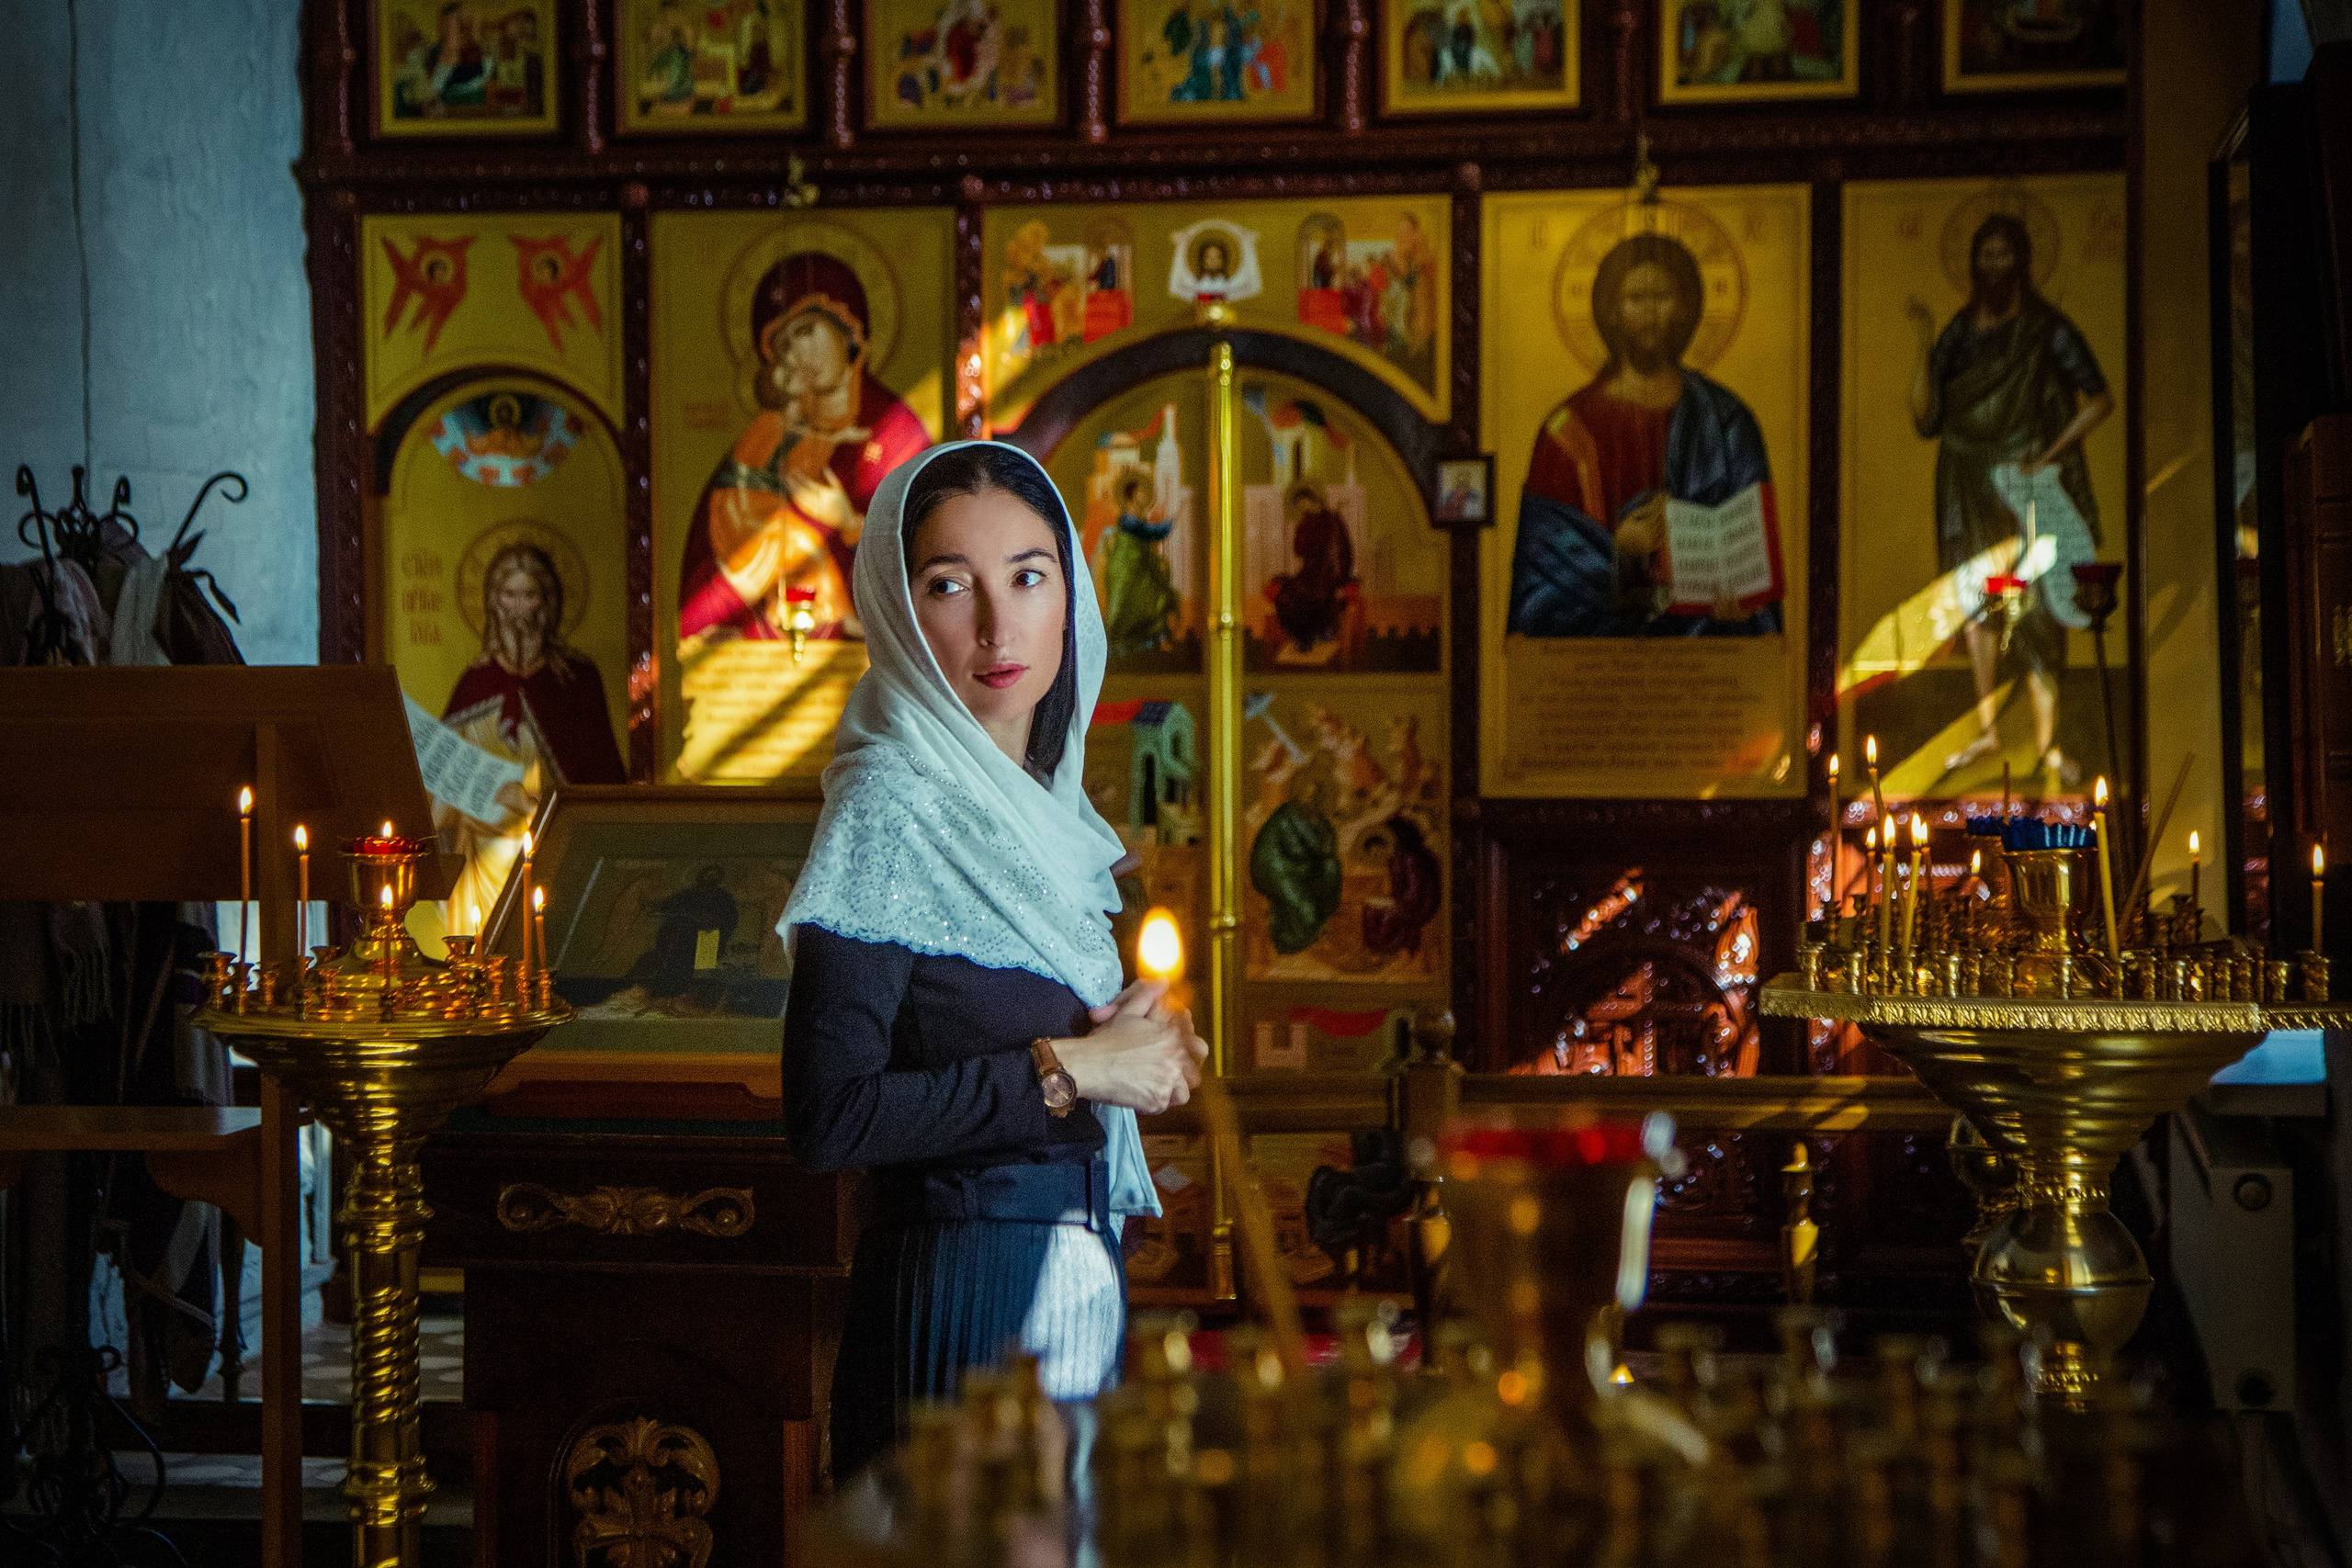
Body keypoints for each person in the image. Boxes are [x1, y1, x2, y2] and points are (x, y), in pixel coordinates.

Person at [781, 442, 1208, 1485]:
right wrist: (1070, 1070)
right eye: (947, 584)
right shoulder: (891, 805)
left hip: (1068, 1273)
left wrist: (1139, 1047)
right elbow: (829, 1115)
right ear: (896, 608)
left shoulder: (1053, 820)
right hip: (962, 1290)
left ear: (1071, 596)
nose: (996, 624)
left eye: (1027, 575)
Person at [1907, 212, 2113, 786]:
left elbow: (2099, 400)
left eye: (2003, 256)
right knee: (1981, 605)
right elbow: (1926, 418)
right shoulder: (1959, 331)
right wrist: (1924, 344)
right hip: (1968, 482)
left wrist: (2049, 456)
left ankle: (2047, 745)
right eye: (1985, 257)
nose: (1993, 267)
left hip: (2027, 485)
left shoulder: (2048, 329)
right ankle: (1989, 732)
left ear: (2021, 263)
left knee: (2042, 607)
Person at [1506, 231, 1781, 638]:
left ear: (1686, 309)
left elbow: (1755, 567)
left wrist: (1742, 598)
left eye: (1662, 297)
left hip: (1708, 670)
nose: (1650, 312)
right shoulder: (1566, 430)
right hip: (1593, 676)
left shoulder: (1726, 422)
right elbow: (1539, 588)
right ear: (1612, 311)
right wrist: (1622, 555)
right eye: (1636, 298)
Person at [679, 253, 933, 644]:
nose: (795, 355)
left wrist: (848, 522)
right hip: (761, 653)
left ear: (849, 332)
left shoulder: (895, 431)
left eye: (806, 332)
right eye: (783, 345)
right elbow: (711, 564)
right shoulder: (771, 436)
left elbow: (933, 559)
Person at [437, 542, 628, 932]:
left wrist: (543, 805)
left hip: (552, 839)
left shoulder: (575, 679)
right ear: (494, 601)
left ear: (546, 602)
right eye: (510, 595)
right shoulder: (475, 684)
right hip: (482, 851)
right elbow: (443, 777)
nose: (519, 608)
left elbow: (602, 773)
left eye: (529, 595)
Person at [1097, 470, 1181, 657]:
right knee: (1125, 607)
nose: (1144, 496)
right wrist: (1170, 524)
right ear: (1133, 495)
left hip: (1140, 565)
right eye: (1141, 492)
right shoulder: (1128, 518)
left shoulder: (1137, 516)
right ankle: (1118, 645)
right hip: (1126, 566)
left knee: (1157, 597)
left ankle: (1159, 640)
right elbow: (1149, 533)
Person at [1267, 482, 1356, 654]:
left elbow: (1343, 553)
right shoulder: (1306, 522)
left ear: (1313, 500)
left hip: (1328, 575)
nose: (1303, 507)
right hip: (1309, 572)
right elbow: (1298, 550)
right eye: (1299, 505)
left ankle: (1317, 634)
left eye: (1305, 502)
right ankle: (1303, 637)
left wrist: (1341, 580)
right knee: (1287, 595)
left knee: (1316, 597)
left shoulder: (1333, 521)